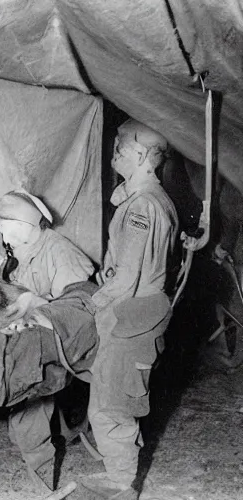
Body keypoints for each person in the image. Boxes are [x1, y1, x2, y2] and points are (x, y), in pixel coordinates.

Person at [79, 120, 178, 500]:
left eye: (119, 149)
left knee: (113, 405)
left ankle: (121, 484)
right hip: (135, 312)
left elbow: (128, 277)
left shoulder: (142, 205)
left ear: (139, 155)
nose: (114, 154)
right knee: (108, 398)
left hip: (130, 316)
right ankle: (118, 475)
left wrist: (92, 303)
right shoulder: (149, 199)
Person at [0, 190, 95, 490]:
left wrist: (36, 305)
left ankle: (40, 475)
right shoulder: (20, 251)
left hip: (61, 340)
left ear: (25, 226)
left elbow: (81, 304)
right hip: (29, 332)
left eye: (4, 224)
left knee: (29, 383)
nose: (0, 230)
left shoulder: (59, 251)